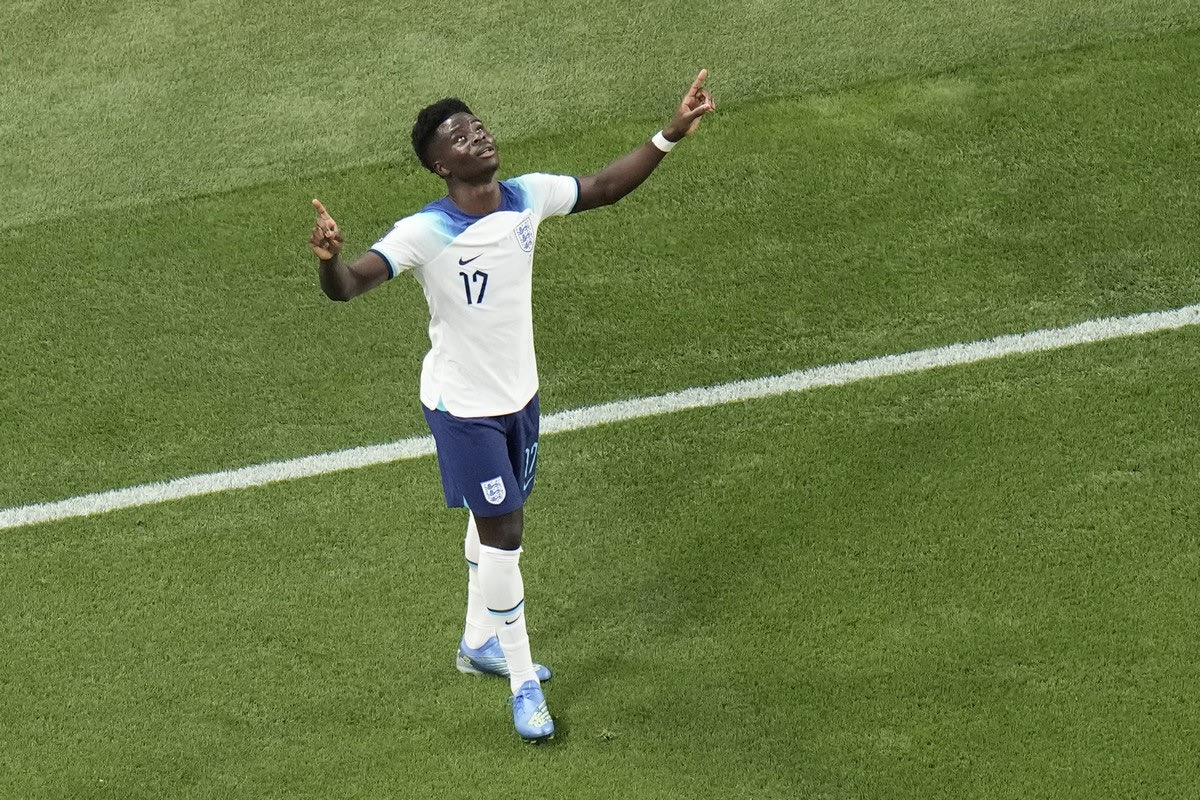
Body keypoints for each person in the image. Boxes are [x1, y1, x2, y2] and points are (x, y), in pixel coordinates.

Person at [308, 70, 716, 741]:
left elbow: (603, 188)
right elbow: (350, 285)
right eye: (459, 137)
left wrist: (669, 134)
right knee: (506, 533)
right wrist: (330, 259)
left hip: (519, 398)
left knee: (493, 521)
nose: (478, 136)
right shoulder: (426, 231)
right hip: (463, 409)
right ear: (442, 166)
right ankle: (522, 683)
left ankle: (478, 642)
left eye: (477, 125)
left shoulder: (526, 197)